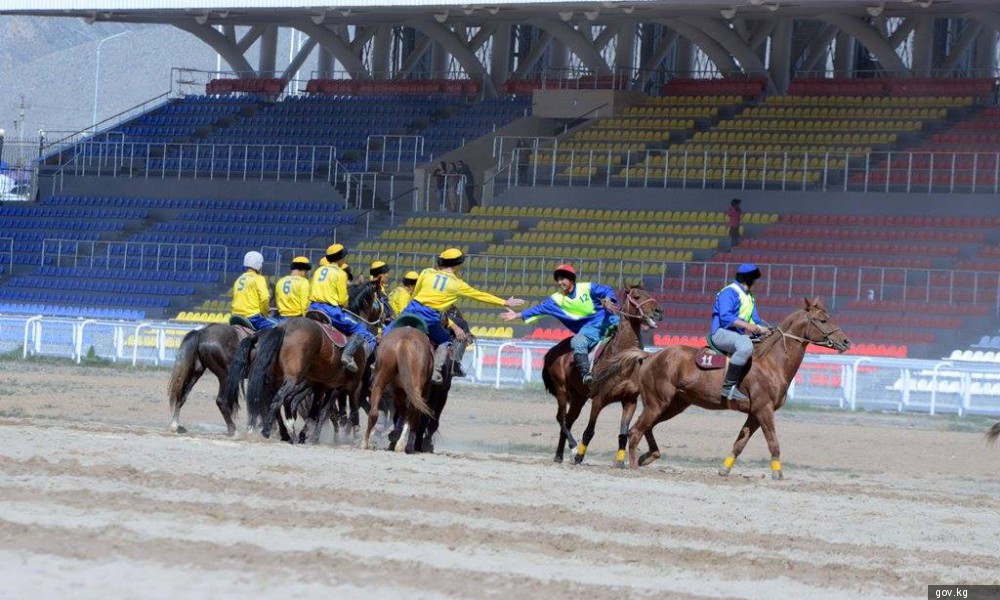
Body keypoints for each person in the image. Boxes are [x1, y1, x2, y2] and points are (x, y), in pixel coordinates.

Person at [387, 248, 524, 384]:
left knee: (389, 331)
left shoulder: (426, 272)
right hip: (431, 318)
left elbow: (415, 294)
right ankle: (435, 372)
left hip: (412, 310)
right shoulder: (458, 284)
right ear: (458, 265)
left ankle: (377, 359)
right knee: (445, 341)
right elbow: (480, 295)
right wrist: (504, 302)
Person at [501, 264, 618, 387]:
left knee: (633, 326)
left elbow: (607, 290)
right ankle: (586, 375)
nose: (560, 282)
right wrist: (517, 315)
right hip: (589, 330)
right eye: (558, 279)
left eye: (563, 279)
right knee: (577, 342)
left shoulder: (586, 287)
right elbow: (538, 309)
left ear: (571, 279)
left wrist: (608, 299)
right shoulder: (556, 300)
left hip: (610, 320)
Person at [307, 243, 375, 374]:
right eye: (344, 257)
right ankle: (347, 355)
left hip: (313, 308)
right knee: (361, 328)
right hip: (330, 310)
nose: (345, 259)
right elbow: (343, 299)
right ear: (340, 258)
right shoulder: (340, 273)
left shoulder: (318, 271)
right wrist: (343, 304)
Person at [710, 263, 771, 402]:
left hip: (738, 334)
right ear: (748, 279)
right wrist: (750, 327)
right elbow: (725, 317)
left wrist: (766, 330)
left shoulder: (750, 296)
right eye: (755, 280)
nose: (757, 283)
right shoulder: (729, 292)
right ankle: (728, 386)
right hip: (721, 332)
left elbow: (755, 319)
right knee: (746, 346)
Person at [231, 251, 276, 330]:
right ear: (258, 264)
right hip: (252, 318)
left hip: (235, 317)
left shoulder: (239, 279)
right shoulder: (259, 278)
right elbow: (265, 298)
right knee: (277, 328)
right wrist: (264, 313)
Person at [274, 256, 311, 320]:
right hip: (297, 318)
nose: (305, 274)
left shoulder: (281, 281)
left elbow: (277, 301)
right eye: (306, 271)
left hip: (281, 318)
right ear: (303, 269)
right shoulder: (304, 282)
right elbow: (305, 304)